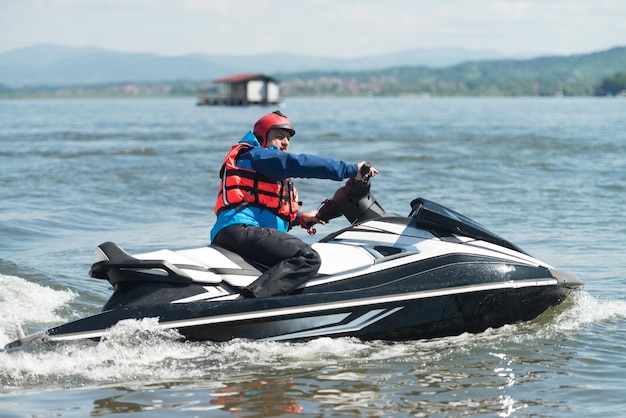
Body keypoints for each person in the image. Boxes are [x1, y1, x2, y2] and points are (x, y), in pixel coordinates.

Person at [210, 110, 378, 298]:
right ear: (261, 138)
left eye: (288, 138)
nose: (285, 142)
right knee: (307, 258)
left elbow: (262, 205)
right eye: (278, 136)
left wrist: (299, 218)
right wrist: (349, 170)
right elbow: (299, 163)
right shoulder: (258, 156)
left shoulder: (261, 163)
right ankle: (247, 305)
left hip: (237, 232)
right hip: (242, 230)